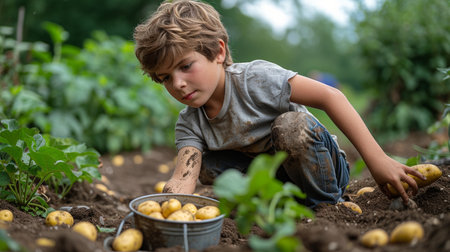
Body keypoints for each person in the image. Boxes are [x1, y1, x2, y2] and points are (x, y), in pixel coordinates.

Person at [133, 0, 426, 209]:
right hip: (273, 180)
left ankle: (327, 207)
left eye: (185, 66)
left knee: (291, 126)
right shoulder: (190, 122)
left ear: (218, 51)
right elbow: (184, 177)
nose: (178, 83)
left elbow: (331, 96)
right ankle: (273, 204)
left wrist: (378, 160)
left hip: (320, 167)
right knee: (205, 164)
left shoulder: (257, 80)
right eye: (165, 78)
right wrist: (166, 210)